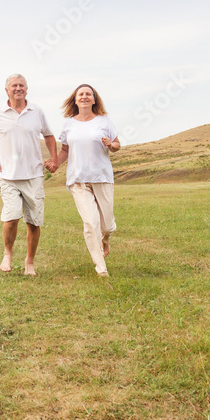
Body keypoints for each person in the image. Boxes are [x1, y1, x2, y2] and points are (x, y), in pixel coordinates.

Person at [0, 74, 58, 276]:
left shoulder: (37, 111)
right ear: (6, 90)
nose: (18, 88)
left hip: (33, 174)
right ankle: (7, 254)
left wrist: (54, 158)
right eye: (14, 85)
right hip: (8, 175)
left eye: (22, 85)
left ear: (27, 89)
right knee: (12, 217)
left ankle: (30, 263)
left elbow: (49, 136)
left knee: (34, 222)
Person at [55, 84, 120, 277]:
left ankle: (105, 239)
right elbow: (65, 151)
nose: (84, 97)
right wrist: (54, 163)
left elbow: (117, 145)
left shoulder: (104, 121)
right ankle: (101, 268)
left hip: (102, 178)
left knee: (106, 226)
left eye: (88, 94)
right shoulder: (69, 124)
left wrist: (112, 144)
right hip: (78, 179)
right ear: (75, 100)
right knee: (91, 223)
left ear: (94, 99)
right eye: (80, 94)